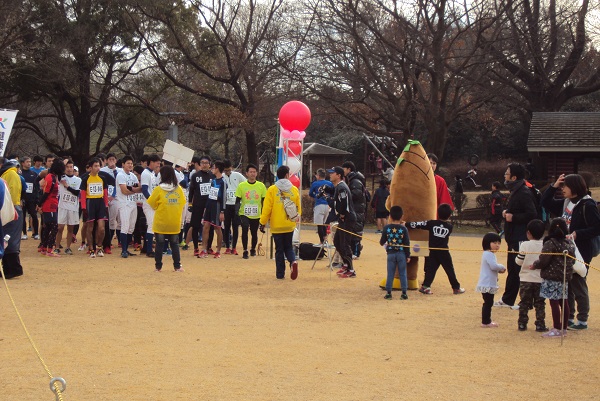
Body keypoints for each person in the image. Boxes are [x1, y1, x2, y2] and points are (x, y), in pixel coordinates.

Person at [540, 173, 600, 330]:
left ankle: (582, 319)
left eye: (565, 186)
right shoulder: (567, 202)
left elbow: (596, 228)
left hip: (581, 250)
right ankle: (570, 317)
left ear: (575, 187)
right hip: (566, 249)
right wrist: (554, 186)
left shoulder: (588, 204)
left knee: (578, 283)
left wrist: (577, 233)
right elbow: (545, 202)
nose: (563, 189)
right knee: (568, 284)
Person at [495, 163, 537, 309]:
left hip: (520, 237)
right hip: (513, 236)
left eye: (507, 173)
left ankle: (524, 301)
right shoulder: (516, 190)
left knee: (518, 269)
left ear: (513, 177)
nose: (505, 176)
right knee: (513, 269)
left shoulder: (523, 192)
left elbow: (532, 214)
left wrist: (514, 217)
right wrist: (507, 212)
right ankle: (509, 299)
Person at [531, 218, 576, 338]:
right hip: (564, 277)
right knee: (564, 301)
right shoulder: (569, 243)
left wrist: (535, 265)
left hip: (552, 277)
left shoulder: (550, 243)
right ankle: (564, 328)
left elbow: (544, 260)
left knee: (554, 302)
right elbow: (573, 259)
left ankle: (556, 328)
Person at [407, 203, 465, 295]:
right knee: (449, 269)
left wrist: (406, 224)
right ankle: (456, 288)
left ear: (438, 213)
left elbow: (419, 224)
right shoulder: (449, 227)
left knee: (431, 269)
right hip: (443, 252)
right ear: (449, 215)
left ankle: (425, 286)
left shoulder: (432, 223)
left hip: (433, 251)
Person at [259, 165, 301, 280]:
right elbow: (298, 208)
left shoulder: (272, 189)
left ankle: (280, 274)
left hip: (276, 225)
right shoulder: (294, 189)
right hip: (289, 224)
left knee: (279, 250)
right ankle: (293, 262)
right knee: (288, 247)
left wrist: (262, 222)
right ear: (287, 175)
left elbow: (267, 208)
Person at [147, 165, 186, 272]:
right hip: (174, 222)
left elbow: (151, 203)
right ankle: (177, 266)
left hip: (161, 222)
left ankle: (158, 267)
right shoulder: (179, 189)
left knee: (159, 244)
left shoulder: (159, 189)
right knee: (175, 244)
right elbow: (183, 203)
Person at [515, 219, 548, 332]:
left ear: (528, 232)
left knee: (524, 302)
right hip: (540, 279)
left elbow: (519, 261)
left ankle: (522, 324)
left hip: (525, 279)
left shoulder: (525, 244)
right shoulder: (545, 245)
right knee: (540, 303)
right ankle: (540, 324)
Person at [79, 157, 114, 258]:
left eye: (99, 165)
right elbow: (83, 194)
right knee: (90, 228)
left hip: (100, 202)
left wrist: (106, 205)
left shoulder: (102, 178)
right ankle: (91, 249)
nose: (97, 168)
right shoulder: (86, 179)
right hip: (90, 203)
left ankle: (99, 247)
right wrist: (84, 208)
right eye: (95, 166)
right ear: (90, 168)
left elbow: (105, 193)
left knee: (101, 228)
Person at [327, 166, 357, 278]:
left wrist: (343, 214)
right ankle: (345, 264)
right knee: (337, 242)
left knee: (345, 244)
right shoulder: (338, 187)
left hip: (347, 218)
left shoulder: (342, 187)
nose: (330, 175)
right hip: (343, 218)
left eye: (332, 173)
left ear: (338, 175)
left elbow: (344, 202)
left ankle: (351, 269)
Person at [235, 163, 267, 259]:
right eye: (250, 172)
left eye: (254, 172)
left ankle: (253, 248)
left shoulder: (261, 186)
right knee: (245, 229)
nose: (252, 174)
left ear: (256, 173)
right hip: (244, 212)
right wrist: (236, 212)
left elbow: (264, 201)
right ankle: (245, 250)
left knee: (254, 232)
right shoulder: (241, 185)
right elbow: (237, 200)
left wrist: (264, 214)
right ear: (247, 173)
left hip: (256, 214)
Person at [379, 205, 410, 300]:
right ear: (402, 216)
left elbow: (382, 242)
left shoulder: (386, 228)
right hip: (401, 253)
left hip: (391, 254)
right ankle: (404, 293)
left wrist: (387, 246)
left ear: (390, 216)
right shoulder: (404, 229)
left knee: (390, 273)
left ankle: (389, 293)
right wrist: (408, 255)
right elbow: (407, 243)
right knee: (403, 273)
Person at [476, 232, 507, 328]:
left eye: (499, 243)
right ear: (487, 243)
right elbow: (493, 266)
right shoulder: (489, 254)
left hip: (487, 282)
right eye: (494, 243)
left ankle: (486, 320)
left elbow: (492, 268)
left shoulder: (488, 254)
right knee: (488, 303)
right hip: (487, 284)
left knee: (488, 302)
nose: (497, 245)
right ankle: (486, 321)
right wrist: (501, 267)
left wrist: (499, 270)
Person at [0, 158, 24, 277]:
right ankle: (8, 268)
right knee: (6, 239)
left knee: (9, 239)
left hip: (12, 209)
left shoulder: (11, 174)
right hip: (9, 208)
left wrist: (13, 208)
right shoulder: (8, 174)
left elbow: (13, 192)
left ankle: (13, 269)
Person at [115, 155, 142, 258]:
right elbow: (124, 191)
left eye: (131, 163)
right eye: (128, 163)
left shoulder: (133, 176)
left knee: (131, 227)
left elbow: (139, 188)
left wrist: (132, 190)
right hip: (124, 203)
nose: (130, 165)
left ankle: (126, 248)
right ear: (123, 164)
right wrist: (133, 190)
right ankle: (123, 250)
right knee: (125, 226)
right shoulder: (120, 175)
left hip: (132, 203)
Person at [187, 155, 214, 256]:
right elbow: (191, 191)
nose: (204, 165)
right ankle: (195, 247)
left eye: (206, 163)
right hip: (198, 204)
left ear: (209, 164)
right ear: (199, 164)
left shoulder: (212, 176)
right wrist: (190, 203)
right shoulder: (195, 176)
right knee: (195, 225)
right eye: (202, 163)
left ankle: (208, 247)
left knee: (210, 226)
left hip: (210, 204)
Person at [199, 160, 226, 258]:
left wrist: (222, 211)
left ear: (217, 169)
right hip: (210, 205)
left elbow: (223, 197)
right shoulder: (213, 181)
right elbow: (210, 194)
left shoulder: (223, 182)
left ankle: (218, 250)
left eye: (214, 167)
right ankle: (204, 249)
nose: (212, 169)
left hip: (217, 206)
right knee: (206, 226)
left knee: (217, 228)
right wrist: (206, 207)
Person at [38, 159, 64, 257]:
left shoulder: (52, 177)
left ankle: (44, 248)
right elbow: (46, 193)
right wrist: (40, 204)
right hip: (50, 205)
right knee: (54, 227)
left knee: (48, 227)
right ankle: (50, 249)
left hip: (51, 204)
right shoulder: (51, 178)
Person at [55, 160, 81, 255]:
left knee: (70, 228)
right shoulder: (61, 177)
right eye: (67, 167)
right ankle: (57, 247)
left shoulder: (78, 180)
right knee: (60, 227)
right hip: (62, 206)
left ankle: (68, 247)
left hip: (73, 207)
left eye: (71, 167)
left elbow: (77, 192)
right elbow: (55, 170)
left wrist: (66, 186)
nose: (69, 169)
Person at [341, 161, 366, 259]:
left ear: (348, 169)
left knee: (355, 230)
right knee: (352, 230)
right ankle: (354, 249)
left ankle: (356, 251)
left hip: (357, 209)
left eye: (344, 169)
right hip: (355, 208)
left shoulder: (355, 181)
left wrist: (346, 195)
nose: (343, 171)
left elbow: (356, 195)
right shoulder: (351, 179)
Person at [222, 159, 246, 254]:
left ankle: (234, 247)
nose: (227, 172)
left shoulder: (237, 175)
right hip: (226, 205)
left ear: (231, 168)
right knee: (226, 227)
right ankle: (227, 246)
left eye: (228, 170)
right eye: (225, 170)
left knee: (235, 226)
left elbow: (245, 184)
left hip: (236, 205)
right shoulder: (223, 177)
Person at [141, 154, 161, 257]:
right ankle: (149, 250)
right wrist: (151, 201)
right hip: (149, 204)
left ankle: (145, 248)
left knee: (151, 225)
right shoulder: (146, 173)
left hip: (152, 203)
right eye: (157, 163)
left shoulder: (152, 173)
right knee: (151, 226)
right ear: (151, 162)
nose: (158, 165)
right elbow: (144, 189)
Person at [309, 168, 333, 244]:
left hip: (319, 205)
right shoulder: (329, 183)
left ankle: (322, 241)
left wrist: (316, 196)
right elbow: (332, 193)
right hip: (328, 205)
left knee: (319, 225)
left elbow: (310, 193)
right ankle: (325, 238)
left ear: (318, 176)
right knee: (325, 224)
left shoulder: (315, 183)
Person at [20, 156, 40, 240]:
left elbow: (37, 187)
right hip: (23, 199)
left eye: (29, 161)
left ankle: (35, 233)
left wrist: (37, 199)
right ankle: (24, 233)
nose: (29, 163)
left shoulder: (34, 174)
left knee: (34, 216)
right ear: (22, 163)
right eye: (27, 162)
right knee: (22, 216)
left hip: (32, 199)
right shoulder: (19, 174)